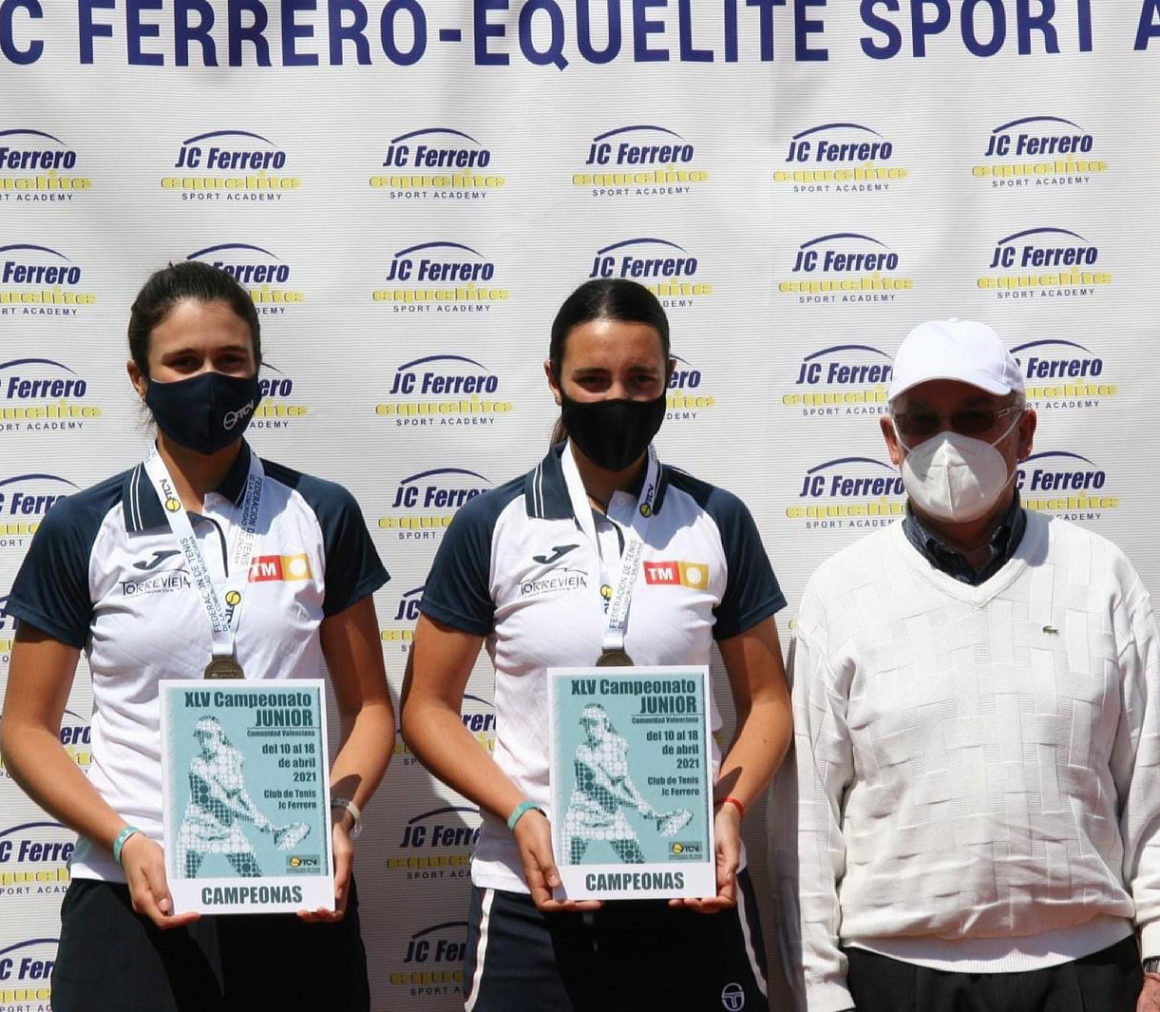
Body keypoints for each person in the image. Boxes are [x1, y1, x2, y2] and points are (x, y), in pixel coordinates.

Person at [0, 261, 394, 1012]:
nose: (208, 379)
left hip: (292, 885)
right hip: (133, 895)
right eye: (183, 363)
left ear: (257, 371)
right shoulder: (84, 527)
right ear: (139, 378)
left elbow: (373, 708)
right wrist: (124, 842)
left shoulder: (321, 512)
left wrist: (339, 818)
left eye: (230, 361)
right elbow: (25, 729)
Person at [400, 278, 793, 1011]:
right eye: (593, 379)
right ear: (554, 382)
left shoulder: (716, 519)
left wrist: (728, 811)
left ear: (670, 378)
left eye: (641, 379)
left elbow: (768, 701)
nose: (618, 397)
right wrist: (521, 815)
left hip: (690, 887)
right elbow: (425, 708)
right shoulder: (492, 524)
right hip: (532, 896)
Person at [775, 319, 1160, 1012]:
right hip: (897, 977)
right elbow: (808, 825)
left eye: (975, 417)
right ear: (891, 441)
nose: (947, 443)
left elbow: (1152, 790)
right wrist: (821, 993)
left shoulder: (1102, 577)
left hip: (1088, 974)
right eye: (922, 421)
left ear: (1025, 432)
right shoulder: (841, 591)